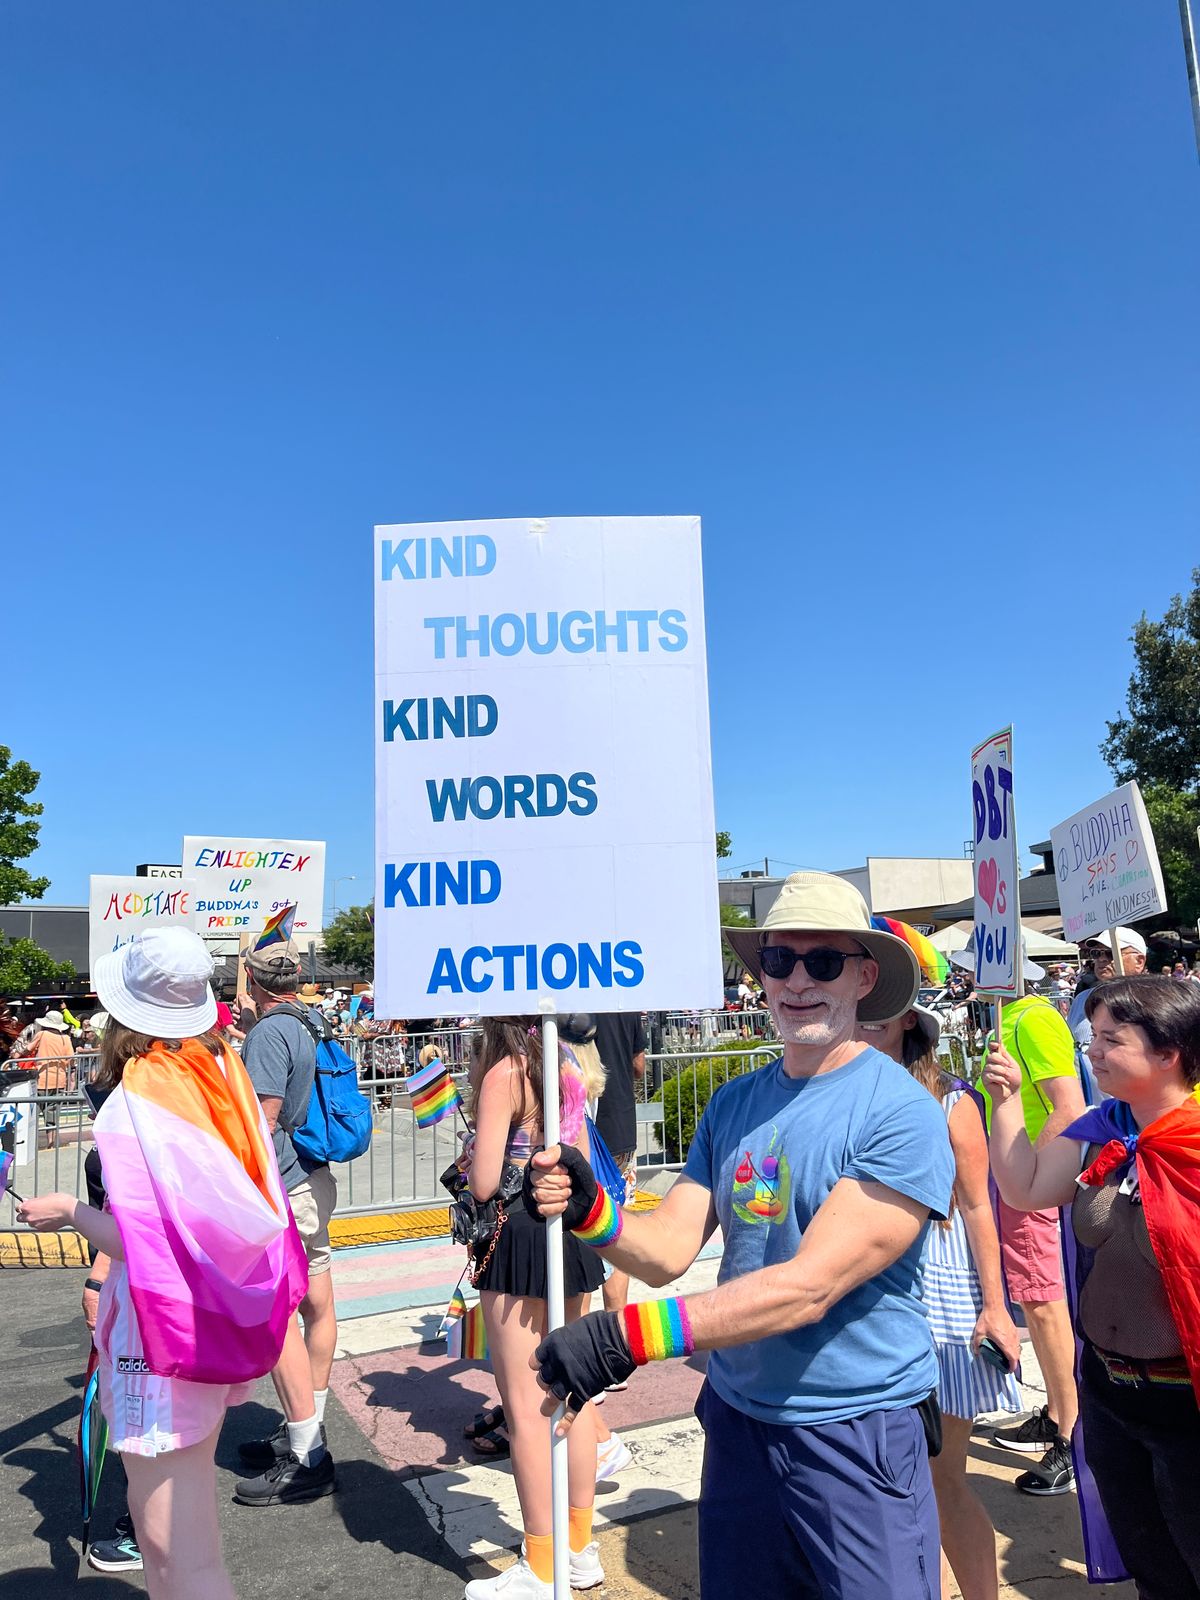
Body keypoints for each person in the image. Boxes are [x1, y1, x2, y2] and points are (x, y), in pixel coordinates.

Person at [527, 872, 954, 1600]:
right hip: (738, 1419)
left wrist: (622, 1338)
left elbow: (809, 1287)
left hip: (855, 1428)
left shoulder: (901, 1112)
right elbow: (666, 1251)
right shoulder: (734, 1102)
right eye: (779, 960)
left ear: (864, 977)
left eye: (823, 961)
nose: (797, 980)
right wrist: (591, 1206)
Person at [17, 928, 306, 1600]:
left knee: (171, 1549)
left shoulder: (137, 1101)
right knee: (190, 1541)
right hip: (204, 1320)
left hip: (157, 1331)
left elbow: (141, 1240)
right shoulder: (222, 1074)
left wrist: (68, 1210)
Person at [983, 976, 1200, 1595]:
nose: (1092, 1051)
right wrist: (1006, 1102)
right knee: (1155, 1572)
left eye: (1111, 1039)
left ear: (1169, 1052)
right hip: (1109, 1395)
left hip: (1186, 1408)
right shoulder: (1104, 1130)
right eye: (1094, 1035)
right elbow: (1024, 1188)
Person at [857, 1002, 1020, 1600]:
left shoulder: (952, 1102)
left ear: (909, 1022)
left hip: (943, 1298)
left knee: (941, 1478)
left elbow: (978, 1206)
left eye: (884, 1010)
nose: (868, 1019)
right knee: (888, 1481)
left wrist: (996, 1307)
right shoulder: (842, 1089)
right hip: (870, 1297)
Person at [463, 1017, 605, 1599]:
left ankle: (542, 1564)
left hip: (520, 1235)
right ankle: (579, 1547)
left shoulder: (505, 1073)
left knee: (525, 1408)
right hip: (572, 1227)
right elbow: (582, 1156)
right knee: (573, 1396)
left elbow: (483, 1183)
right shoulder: (566, 1062)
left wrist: (471, 1147)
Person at [951, 936, 1084, 1495]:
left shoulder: (1032, 1018)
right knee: (1035, 1301)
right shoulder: (1013, 1018)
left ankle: (1071, 1438)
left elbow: (1068, 1105)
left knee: (1043, 1305)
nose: (965, 978)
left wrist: (1032, 1180)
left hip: (1025, 1184)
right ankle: (1057, 1414)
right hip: (1014, 1178)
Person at [234, 944, 338, 1505]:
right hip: (314, 1176)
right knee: (318, 1304)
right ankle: (308, 1424)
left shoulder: (270, 1034)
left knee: (278, 1317)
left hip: (284, 1185)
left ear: (253, 981)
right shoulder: (309, 1021)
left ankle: (305, 1450)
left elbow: (264, 1120)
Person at [590, 1011, 647, 1336]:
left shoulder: (567, 1001)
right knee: (616, 1229)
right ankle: (616, 1332)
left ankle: (576, 1334)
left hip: (580, 1129)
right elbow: (639, 1066)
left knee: (577, 1232)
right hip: (621, 1127)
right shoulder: (627, 1006)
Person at [1066, 928, 1147, 1053]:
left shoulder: (1153, 1001)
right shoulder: (1082, 999)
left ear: (1139, 961)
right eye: (1096, 953)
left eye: (1111, 953)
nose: (1102, 959)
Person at [33, 1008, 75, 1148]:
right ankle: (51, 1143)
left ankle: (30, 1144)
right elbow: (71, 1059)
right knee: (52, 1114)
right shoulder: (66, 1038)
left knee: (34, 1113)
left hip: (42, 1079)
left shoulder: (42, 1034)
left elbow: (28, 1048)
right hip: (59, 1080)